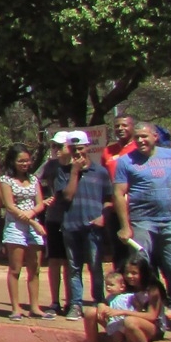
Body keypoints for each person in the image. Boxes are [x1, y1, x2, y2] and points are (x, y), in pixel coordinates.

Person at [114, 121, 171, 326]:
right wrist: (125, 226)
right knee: (142, 268)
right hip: (141, 222)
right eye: (137, 137)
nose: (140, 140)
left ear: (155, 137)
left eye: (144, 136)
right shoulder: (125, 161)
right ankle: (146, 312)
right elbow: (118, 193)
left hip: (169, 221)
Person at [75, 260, 166, 342]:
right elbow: (109, 299)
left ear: (143, 273)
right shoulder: (125, 285)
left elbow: (152, 316)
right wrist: (102, 305)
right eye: (127, 272)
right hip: (122, 322)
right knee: (90, 312)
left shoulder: (153, 289)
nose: (129, 276)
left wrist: (122, 312)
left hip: (152, 327)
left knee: (130, 322)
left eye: (134, 273)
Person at [56, 132, 111, 321]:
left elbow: (109, 199)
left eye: (80, 148)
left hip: (93, 227)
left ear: (87, 147)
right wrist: (74, 172)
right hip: (71, 226)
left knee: (95, 266)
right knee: (74, 268)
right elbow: (67, 196)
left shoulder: (101, 172)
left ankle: (99, 302)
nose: (77, 152)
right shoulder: (63, 172)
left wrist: (103, 217)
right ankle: (76, 304)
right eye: (73, 149)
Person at [0, 143, 50, 320]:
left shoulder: (34, 179)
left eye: (27, 160)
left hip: (33, 224)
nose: (25, 164)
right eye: (21, 161)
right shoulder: (6, 180)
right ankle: (15, 308)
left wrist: (32, 214)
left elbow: (40, 203)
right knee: (15, 269)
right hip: (15, 227)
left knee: (34, 268)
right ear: (13, 162)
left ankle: (34, 307)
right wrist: (32, 222)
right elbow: (10, 206)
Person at [39, 134, 73, 314]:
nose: (56, 149)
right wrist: (43, 199)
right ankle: (54, 302)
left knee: (69, 263)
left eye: (60, 146)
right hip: (53, 218)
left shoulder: (77, 166)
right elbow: (34, 181)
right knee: (54, 261)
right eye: (53, 146)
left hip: (73, 219)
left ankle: (71, 301)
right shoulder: (50, 165)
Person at [101, 115, 137, 270]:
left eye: (124, 125)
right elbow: (104, 179)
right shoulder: (108, 151)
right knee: (119, 253)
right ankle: (122, 283)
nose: (120, 129)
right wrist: (106, 203)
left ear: (133, 127)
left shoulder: (139, 148)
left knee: (138, 253)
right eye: (117, 126)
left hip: (137, 208)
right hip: (115, 209)